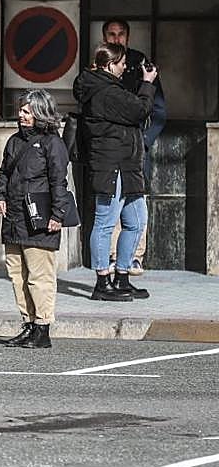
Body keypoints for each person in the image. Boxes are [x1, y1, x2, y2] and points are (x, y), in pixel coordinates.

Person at [72, 42, 156, 302]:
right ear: (110, 65)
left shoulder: (109, 88)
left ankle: (122, 277)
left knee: (136, 221)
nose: (125, 68)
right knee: (105, 223)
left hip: (127, 165)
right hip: (111, 166)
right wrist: (148, 82)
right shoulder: (104, 91)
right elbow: (140, 109)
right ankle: (102, 283)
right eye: (121, 64)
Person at [0, 89, 74, 349]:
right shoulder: (14, 141)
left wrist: (58, 214)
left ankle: (42, 327)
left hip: (39, 217)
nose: (21, 115)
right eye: (21, 110)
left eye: (27, 111)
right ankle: (28, 323)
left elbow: (59, 181)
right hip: (14, 217)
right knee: (17, 274)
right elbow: (4, 172)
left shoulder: (52, 143)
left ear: (40, 113)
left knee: (40, 276)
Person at [102, 19, 167, 277]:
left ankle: (135, 257)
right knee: (110, 197)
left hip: (137, 145)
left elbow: (159, 110)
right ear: (104, 36)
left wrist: (145, 140)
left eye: (121, 34)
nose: (116, 39)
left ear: (128, 37)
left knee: (136, 197)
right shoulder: (99, 64)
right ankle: (113, 255)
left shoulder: (141, 63)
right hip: (109, 146)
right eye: (111, 34)